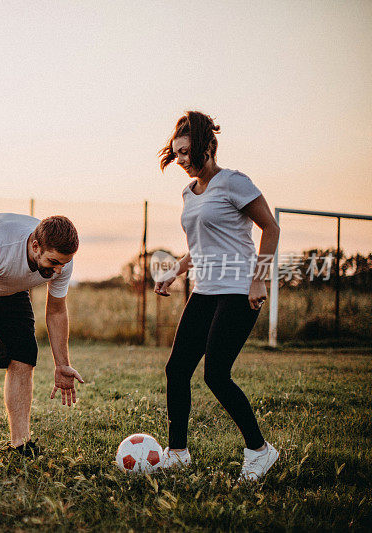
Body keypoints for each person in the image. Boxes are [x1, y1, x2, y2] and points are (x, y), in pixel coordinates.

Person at [154, 111, 281, 481]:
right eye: (176, 154)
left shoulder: (233, 183)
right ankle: (177, 452)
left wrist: (259, 280)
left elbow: (270, 227)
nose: (180, 161)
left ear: (208, 147)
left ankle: (260, 450)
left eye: (186, 153)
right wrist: (173, 271)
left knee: (216, 374)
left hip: (239, 289)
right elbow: (200, 247)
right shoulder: (187, 192)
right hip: (205, 291)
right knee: (177, 369)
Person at [0, 213, 84, 456]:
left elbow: (56, 311)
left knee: (24, 355)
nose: (60, 270)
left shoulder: (62, 261)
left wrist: (62, 364)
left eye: (64, 263)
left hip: (11, 287)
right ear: (35, 246)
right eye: (54, 262)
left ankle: (20, 445)